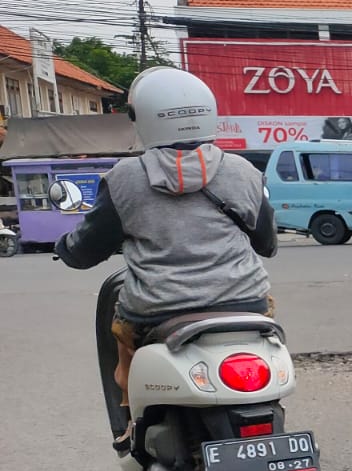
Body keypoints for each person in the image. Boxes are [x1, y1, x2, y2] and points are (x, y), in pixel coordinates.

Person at [54, 67, 277, 451]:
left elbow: (87, 248)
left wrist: (65, 248)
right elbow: (267, 243)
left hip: (157, 309)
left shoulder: (124, 179)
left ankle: (130, 423)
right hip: (246, 304)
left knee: (122, 337)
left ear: (143, 118)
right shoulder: (242, 171)